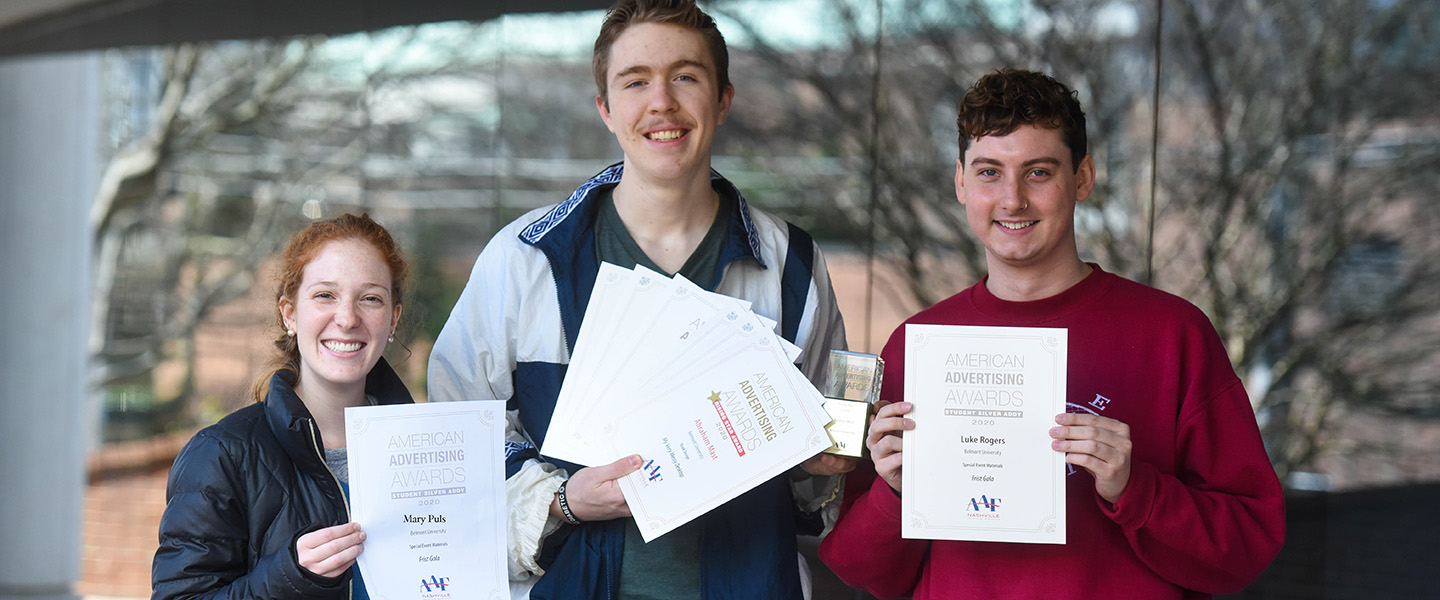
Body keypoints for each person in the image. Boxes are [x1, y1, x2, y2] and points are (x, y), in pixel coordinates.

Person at [426, 0, 851, 598]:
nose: (662, 103)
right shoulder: (525, 260)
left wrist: (818, 461)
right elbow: (457, 439)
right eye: (635, 81)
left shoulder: (793, 267)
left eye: (686, 76)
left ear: (723, 99)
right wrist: (562, 501)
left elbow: (818, 497)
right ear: (605, 108)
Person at [818, 68, 1286, 599]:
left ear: (1082, 178)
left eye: (1038, 172)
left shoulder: (1172, 334)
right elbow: (859, 568)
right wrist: (895, 493)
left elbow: (1248, 545)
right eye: (989, 172)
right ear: (960, 183)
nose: (1013, 200)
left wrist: (1137, 490)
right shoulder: (919, 344)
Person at [152, 213, 412, 599]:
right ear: (289, 313)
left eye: (370, 299)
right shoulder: (222, 456)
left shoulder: (432, 450)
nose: (347, 318)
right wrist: (288, 578)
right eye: (325, 295)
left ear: (392, 319)